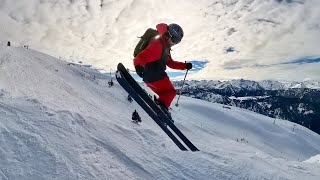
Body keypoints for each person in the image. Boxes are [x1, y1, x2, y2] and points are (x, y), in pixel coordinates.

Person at [133, 23, 192, 113]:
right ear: (168, 34)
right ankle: (162, 109)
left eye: (177, 42)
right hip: (154, 73)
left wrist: (184, 66)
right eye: (175, 40)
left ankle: (160, 106)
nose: (174, 43)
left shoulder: (165, 47)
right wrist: (138, 67)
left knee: (165, 94)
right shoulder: (158, 44)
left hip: (150, 76)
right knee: (170, 92)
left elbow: (171, 63)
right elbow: (141, 57)